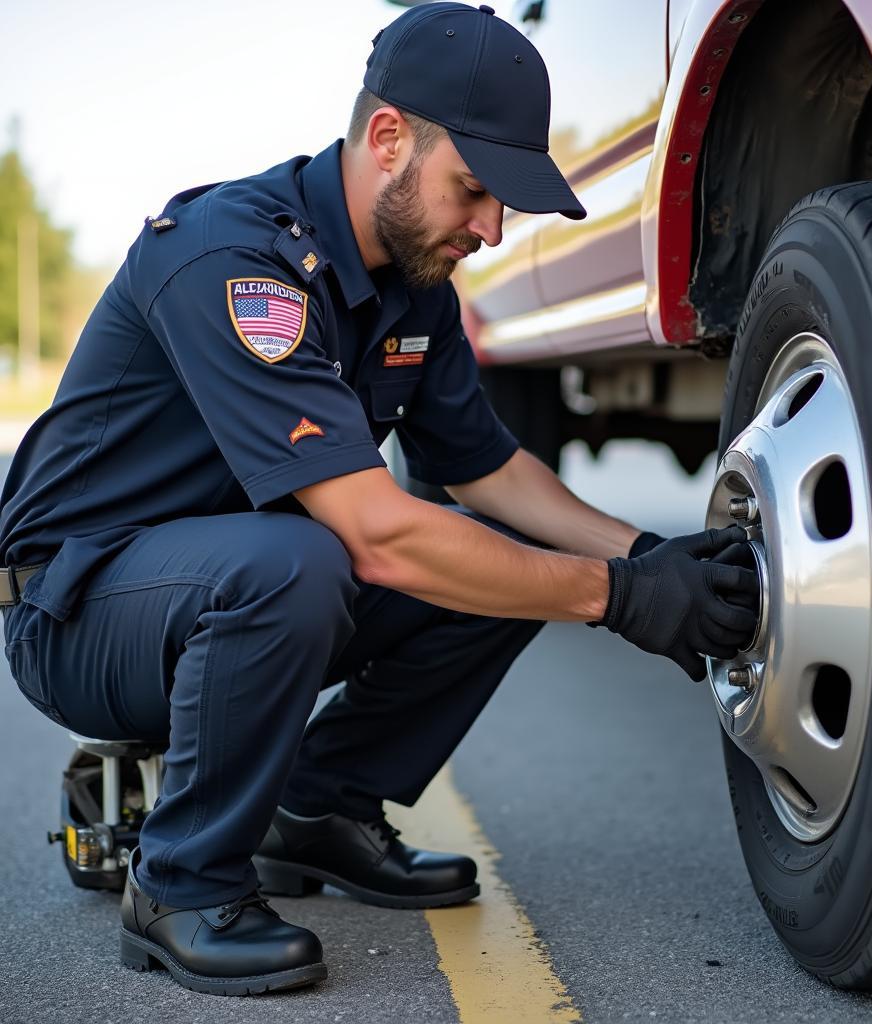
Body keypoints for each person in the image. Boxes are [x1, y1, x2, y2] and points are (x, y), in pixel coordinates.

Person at [0, 2, 758, 997]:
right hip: (80, 608)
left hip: (236, 581)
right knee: (312, 561)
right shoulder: (236, 259)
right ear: (387, 138)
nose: (490, 229)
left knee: (489, 553)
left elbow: (490, 469)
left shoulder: (416, 288)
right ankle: (180, 883)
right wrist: (615, 599)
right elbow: (377, 537)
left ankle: (314, 809)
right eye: (475, 190)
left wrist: (645, 555)